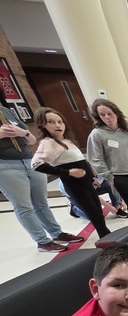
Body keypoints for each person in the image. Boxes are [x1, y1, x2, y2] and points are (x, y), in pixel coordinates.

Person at [0, 100, 83, 252]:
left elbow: (31, 140)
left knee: (41, 202)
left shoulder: (6, 111)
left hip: (28, 159)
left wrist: (22, 133)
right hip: (5, 166)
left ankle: (56, 233)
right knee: (24, 206)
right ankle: (42, 241)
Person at [31, 107, 110, 238]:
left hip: (86, 183)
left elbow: (81, 162)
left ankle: (105, 235)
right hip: (75, 185)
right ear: (43, 125)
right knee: (93, 214)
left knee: (97, 211)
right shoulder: (48, 143)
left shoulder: (66, 141)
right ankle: (105, 237)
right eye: (51, 122)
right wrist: (68, 172)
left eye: (59, 122)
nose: (57, 125)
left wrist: (92, 178)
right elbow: (36, 164)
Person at [87, 98, 128, 223]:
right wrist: (109, 176)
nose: (107, 117)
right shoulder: (97, 134)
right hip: (119, 176)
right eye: (102, 115)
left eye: (109, 113)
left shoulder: (127, 132)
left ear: (116, 114)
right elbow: (95, 158)